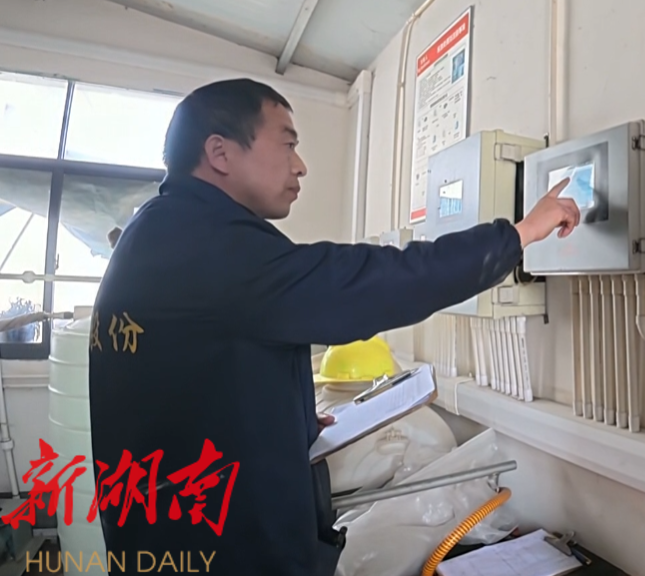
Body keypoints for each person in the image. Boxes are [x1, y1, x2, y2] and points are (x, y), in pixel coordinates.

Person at [88, 78, 579, 576]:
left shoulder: (159, 232)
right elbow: (371, 282)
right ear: (220, 152)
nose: (300, 165)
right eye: (287, 144)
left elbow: (196, 381)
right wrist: (519, 234)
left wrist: (291, 418)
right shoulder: (208, 246)